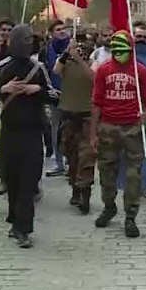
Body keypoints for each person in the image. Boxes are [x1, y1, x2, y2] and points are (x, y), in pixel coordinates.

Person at [0, 24, 54, 248]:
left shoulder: (39, 67)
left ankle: (24, 229)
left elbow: (54, 94)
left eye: (29, 40)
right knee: (12, 180)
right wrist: (4, 90)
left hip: (33, 133)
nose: (25, 43)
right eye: (21, 40)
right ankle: (15, 220)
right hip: (9, 134)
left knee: (28, 182)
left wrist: (38, 91)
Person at [91, 31, 146, 238]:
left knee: (133, 175)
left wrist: (144, 117)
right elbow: (96, 103)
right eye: (116, 49)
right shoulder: (103, 71)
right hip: (108, 126)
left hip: (132, 128)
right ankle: (109, 205)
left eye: (124, 49)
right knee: (106, 172)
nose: (120, 54)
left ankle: (130, 216)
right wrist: (93, 132)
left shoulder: (141, 72)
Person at [53, 36, 97, 214]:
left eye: (83, 48)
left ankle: (85, 194)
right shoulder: (65, 63)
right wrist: (66, 54)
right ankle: (75, 189)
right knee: (71, 155)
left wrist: (80, 61)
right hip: (68, 115)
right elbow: (56, 70)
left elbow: (94, 78)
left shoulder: (93, 63)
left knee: (86, 156)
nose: (80, 50)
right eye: (77, 47)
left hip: (86, 117)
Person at [42, 19, 70, 177]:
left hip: (72, 96)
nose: (62, 31)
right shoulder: (46, 51)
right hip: (55, 95)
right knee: (56, 130)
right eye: (58, 29)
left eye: (63, 28)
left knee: (72, 131)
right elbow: (44, 71)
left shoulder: (74, 47)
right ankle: (59, 163)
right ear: (51, 33)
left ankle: (71, 163)